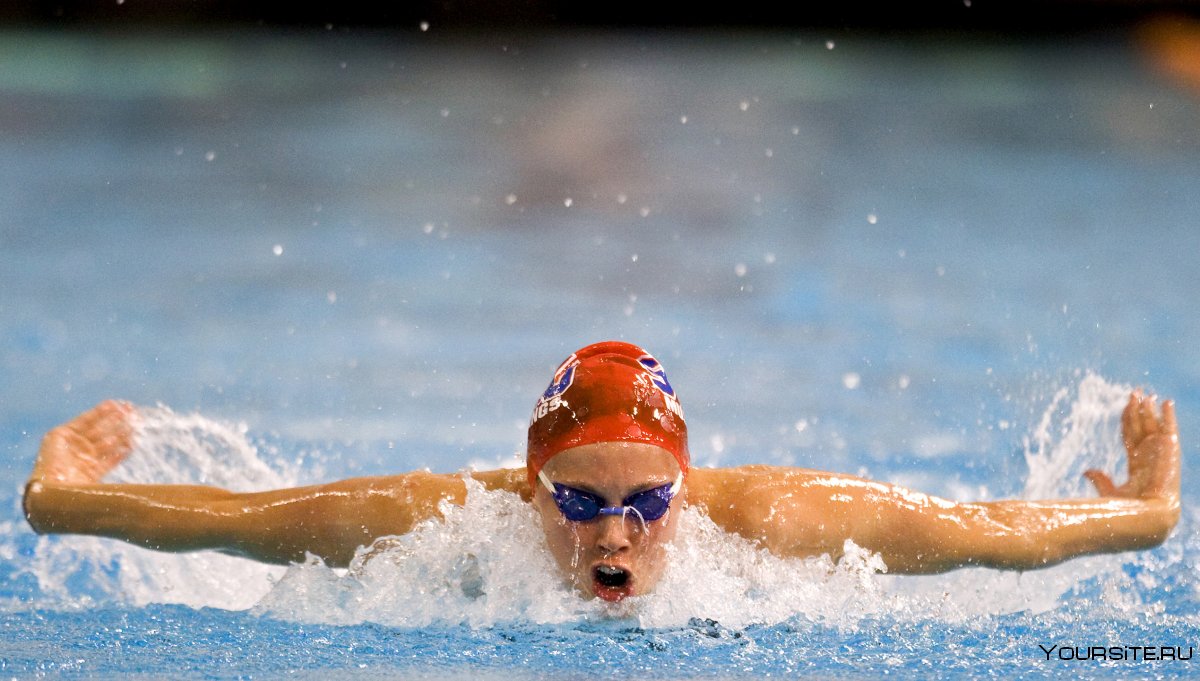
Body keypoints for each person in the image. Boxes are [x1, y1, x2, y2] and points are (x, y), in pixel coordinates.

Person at [22, 341, 1181, 603]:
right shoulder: (442, 522)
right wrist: (58, 491)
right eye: (575, 500)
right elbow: (232, 522)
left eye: (645, 504)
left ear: (690, 486)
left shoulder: (775, 522)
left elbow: (988, 529)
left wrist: (1144, 509)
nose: (609, 537)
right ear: (530, 488)